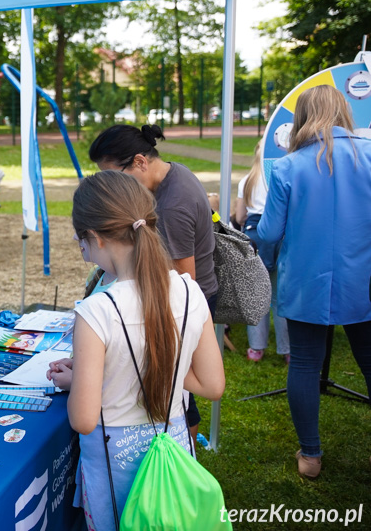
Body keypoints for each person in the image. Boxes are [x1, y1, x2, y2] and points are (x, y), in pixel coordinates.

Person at [47, 171, 225, 530]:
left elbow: (83, 419)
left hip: (115, 468)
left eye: (79, 240)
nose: (81, 249)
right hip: (173, 452)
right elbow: (212, 385)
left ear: (94, 237)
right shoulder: (190, 291)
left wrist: (83, 381)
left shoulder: (97, 310)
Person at [258, 85, 371, 479]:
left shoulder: (288, 167)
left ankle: (311, 455)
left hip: (306, 281)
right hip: (364, 280)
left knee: (304, 364)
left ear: (303, 117)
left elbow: (269, 233)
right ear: (343, 111)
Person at [88, 123, 217, 445]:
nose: (115, 188)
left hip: (182, 305)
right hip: (186, 300)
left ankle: (181, 454)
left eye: (116, 177)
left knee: (178, 393)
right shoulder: (173, 174)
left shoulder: (172, 205)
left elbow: (184, 280)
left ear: (140, 162)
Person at [235, 141, 290, 364]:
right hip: (281, 237)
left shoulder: (246, 182)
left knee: (256, 298)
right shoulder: (283, 177)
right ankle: (287, 350)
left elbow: (239, 218)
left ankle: (256, 348)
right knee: (279, 298)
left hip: (255, 239)